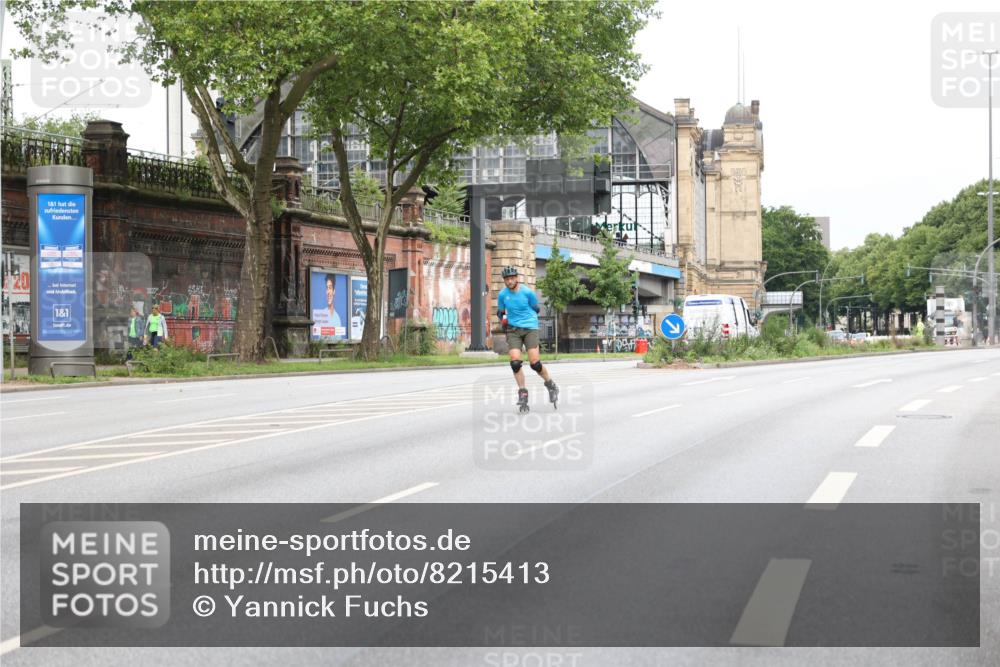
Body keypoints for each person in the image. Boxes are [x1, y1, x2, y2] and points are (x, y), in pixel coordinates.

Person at [497, 265, 558, 411]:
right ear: (504, 281)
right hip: (513, 329)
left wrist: (528, 319)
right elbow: (501, 312)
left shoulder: (527, 292)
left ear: (516, 278)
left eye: (512, 278)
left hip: (530, 328)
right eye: (507, 279)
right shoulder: (502, 295)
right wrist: (504, 320)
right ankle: (523, 393)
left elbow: (536, 308)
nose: (510, 281)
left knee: (535, 364)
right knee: (515, 363)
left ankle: (550, 384)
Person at [312, 274, 343, 339]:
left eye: (330, 288)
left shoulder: (337, 318)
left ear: (334, 291)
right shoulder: (321, 315)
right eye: (327, 288)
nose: (328, 292)